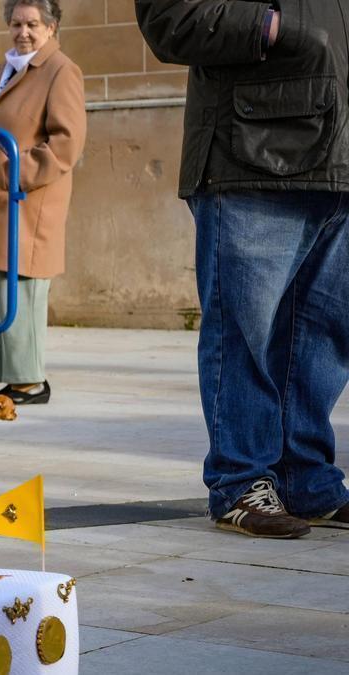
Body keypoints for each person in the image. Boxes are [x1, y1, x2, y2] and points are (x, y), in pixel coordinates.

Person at [136, 1, 349, 538]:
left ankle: (308, 479)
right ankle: (241, 479)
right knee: (243, 332)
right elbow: (169, 16)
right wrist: (279, 27)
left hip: (341, 152)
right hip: (254, 150)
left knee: (325, 333)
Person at [0, 0, 84, 407]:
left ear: (51, 27)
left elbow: (65, 143)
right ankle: (14, 379)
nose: (23, 32)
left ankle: (31, 380)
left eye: (32, 24)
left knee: (23, 287)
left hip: (26, 200)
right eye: (16, 23)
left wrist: (15, 173)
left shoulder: (60, 70)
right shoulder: (6, 68)